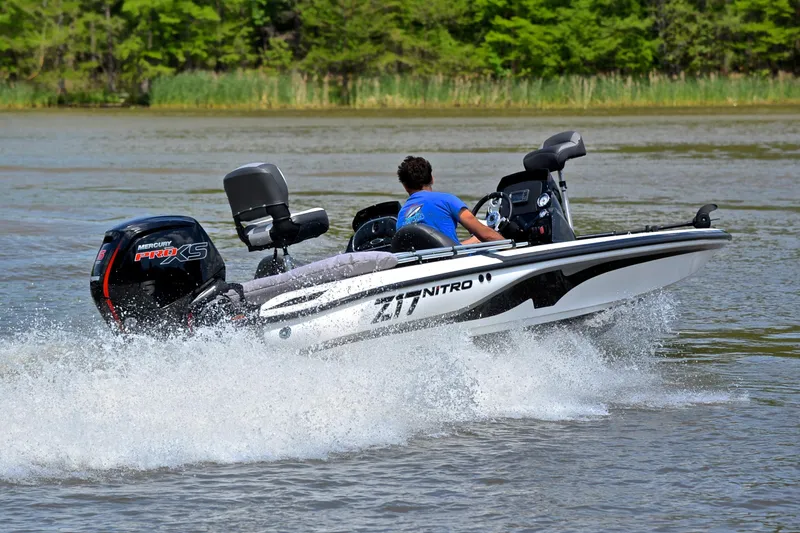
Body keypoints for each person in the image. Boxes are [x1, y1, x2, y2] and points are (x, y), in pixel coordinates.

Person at [396, 156, 504, 244]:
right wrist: (511, 247)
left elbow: (435, 248)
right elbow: (486, 235)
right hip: (453, 263)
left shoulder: (402, 214)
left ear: (405, 186)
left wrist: (474, 240)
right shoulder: (447, 200)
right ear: (432, 179)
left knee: (476, 240)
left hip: (425, 263)